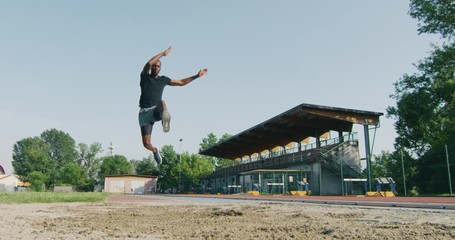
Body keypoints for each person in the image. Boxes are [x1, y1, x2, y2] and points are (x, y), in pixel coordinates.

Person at [138, 46, 207, 164]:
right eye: (154, 66)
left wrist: (196, 76)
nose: (155, 67)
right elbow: (149, 63)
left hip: (156, 110)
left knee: (162, 102)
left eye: (158, 66)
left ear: (160, 69)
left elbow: (180, 83)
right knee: (146, 144)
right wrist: (163, 54)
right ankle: (155, 150)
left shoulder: (163, 80)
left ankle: (165, 119)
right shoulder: (144, 76)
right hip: (144, 113)